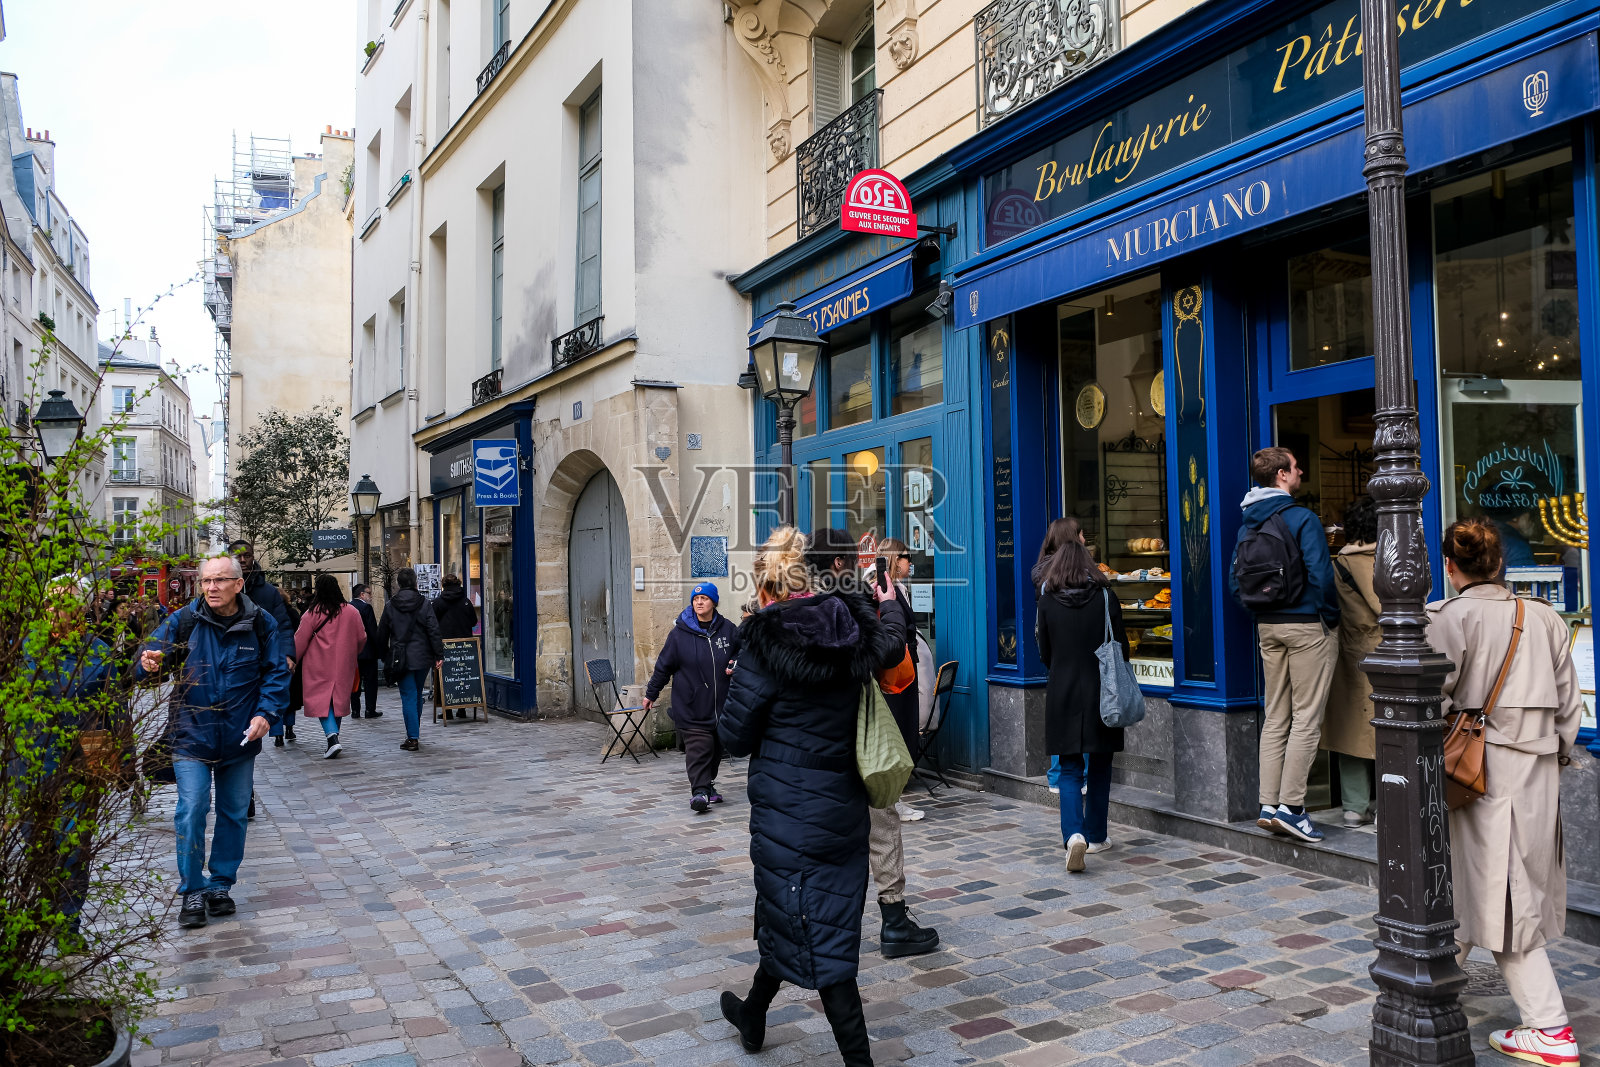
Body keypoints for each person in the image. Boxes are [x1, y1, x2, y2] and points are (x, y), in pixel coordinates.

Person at [717, 527, 905, 1066]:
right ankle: (753, 1014)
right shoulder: (848, 628)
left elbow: (733, 737)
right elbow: (888, 642)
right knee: (797, 914)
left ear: (769, 583)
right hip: (841, 808)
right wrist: (887, 606)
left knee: (818, 938)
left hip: (787, 816)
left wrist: (734, 685)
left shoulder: (763, 643)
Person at [1428, 518, 1582, 1066]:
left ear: (1451, 567)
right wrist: (1551, 755)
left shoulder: (1450, 617)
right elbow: (1570, 709)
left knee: (1504, 895)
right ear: (1500, 564)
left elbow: (1428, 699)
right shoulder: (1543, 617)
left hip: (1476, 776)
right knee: (1484, 883)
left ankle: (1550, 1028)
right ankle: (1433, 981)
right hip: (1537, 774)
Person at [138, 553, 290, 929]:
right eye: (206, 581)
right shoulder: (184, 621)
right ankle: (192, 889)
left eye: (220, 580)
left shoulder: (261, 623)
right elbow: (148, 662)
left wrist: (265, 714)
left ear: (239, 584)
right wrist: (148, 663)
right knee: (191, 809)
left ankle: (220, 884)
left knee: (234, 813)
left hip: (239, 737)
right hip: (190, 734)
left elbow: (276, 674)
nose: (211, 587)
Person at [808, 527, 939, 960]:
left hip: (812, 748)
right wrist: (887, 607)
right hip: (857, 734)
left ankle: (820, 924)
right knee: (881, 824)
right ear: (842, 564)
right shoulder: (846, 604)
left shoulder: (790, 607)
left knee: (826, 834)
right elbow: (884, 651)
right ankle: (894, 921)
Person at [1228, 446, 1340, 843]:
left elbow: (1234, 581)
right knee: (1306, 718)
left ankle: (1268, 805)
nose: (1300, 471)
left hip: (1267, 627)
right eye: (1295, 467)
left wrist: (1261, 614)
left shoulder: (1248, 524)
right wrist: (1328, 615)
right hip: (1308, 625)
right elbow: (1321, 576)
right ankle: (1293, 809)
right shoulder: (1302, 518)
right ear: (1280, 476)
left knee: (1276, 716)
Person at [1034, 516, 1130, 873]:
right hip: (1102, 690)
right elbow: (1120, 646)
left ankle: (1073, 835)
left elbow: (1044, 651)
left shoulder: (1047, 600)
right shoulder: (1106, 596)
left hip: (1062, 689)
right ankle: (1097, 834)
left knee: (1071, 767)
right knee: (1101, 764)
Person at [643, 581, 739, 812]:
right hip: (691, 705)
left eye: (704, 599)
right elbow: (663, 667)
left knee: (716, 749)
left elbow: (743, 651)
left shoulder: (728, 630)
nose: (699, 602)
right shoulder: (679, 635)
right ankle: (700, 793)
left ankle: (707, 785)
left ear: (713, 602)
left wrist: (738, 662)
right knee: (699, 748)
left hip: (721, 706)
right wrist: (651, 693)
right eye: (696, 599)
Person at [1322, 496, 1381, 827]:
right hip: (1384, 651)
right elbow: (1388, 609)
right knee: (1389, 729)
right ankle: (1389, 800)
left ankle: (1354, 807)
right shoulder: (1381, 562)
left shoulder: (1339, 562)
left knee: (1351, 730)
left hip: (1348, 652)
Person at [874, 538, 928, 823]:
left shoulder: (899, 590)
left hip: (905, 670)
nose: (910, 561)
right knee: (897, 734)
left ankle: (895, 798)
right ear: (895, 558)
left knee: (906, 732)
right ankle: (892, 800)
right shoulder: (884, 591)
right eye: (906, 556)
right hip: (893, 673)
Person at [228, 540, 298, 744]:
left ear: (252, 557)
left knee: (272, 691)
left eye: (246, 555)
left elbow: (283, 624)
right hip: (232, 658)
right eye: (237, 556)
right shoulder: (221, 587)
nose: (242, 560)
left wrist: (287, 653)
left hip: (263, 653)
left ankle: (274, 730)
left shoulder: (267, 592)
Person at [294, 574, 367, 760]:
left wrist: (292, 659)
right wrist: (353, 652)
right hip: (344, 663)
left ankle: (332, 738)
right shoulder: (351, 612)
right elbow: (361, 638)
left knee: (322, 701)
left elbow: (300, 640)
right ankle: (333, 739)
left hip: (318, 663)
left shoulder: (312, 613)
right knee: (338, 700)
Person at [377, 567, 444, 751]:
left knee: (408, 695)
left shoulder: (391, 605)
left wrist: (384, 655)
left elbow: (382, 633)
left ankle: (412, 737)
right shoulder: (424, 603)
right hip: (422, 656)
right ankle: (414, 732)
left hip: (401, 657)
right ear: (415, 582)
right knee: (416, 694)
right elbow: (433, 629)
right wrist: (439, 654)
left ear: (398, 583)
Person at [430, 574, 478, 720]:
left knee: (445, 676)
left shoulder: (438, 603)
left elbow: (432, 624)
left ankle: (447, 710)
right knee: (463, 674)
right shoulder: (466, 602)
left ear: (443, 585)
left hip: (445, 644)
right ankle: (462, 708)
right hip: (464, 645)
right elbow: (474, 621)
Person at [350, 584, 382, 719]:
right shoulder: (366, 608)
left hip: (352, 652)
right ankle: (370, 710)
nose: (371, 596)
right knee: (370, 682)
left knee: (355, 682)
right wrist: (379, 649)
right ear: (362, 594)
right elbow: (372, 630)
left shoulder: (348, 607)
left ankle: (355, 710)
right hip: (367, 651)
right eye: (369, 593)